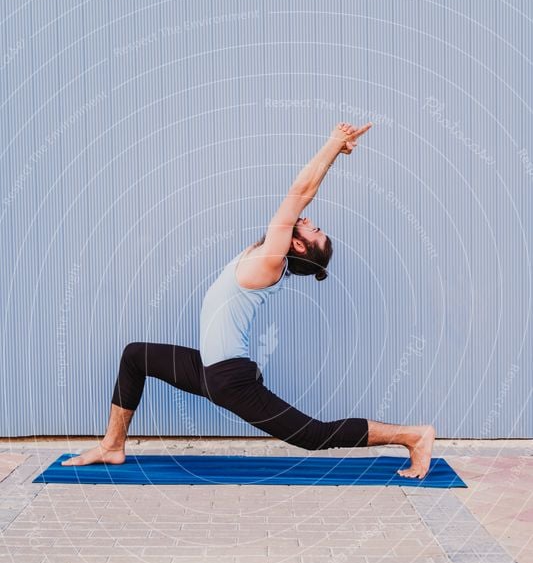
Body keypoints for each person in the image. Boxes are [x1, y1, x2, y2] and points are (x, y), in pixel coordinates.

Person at [62, 122, 435, 477]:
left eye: (314, 230)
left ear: (298, 245)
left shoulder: (271, 260)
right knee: (135, 355)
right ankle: (112, 445)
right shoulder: (264, 252)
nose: (309, 222)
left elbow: (300, 192)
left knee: (313, 436)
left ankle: (413, 435)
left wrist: (334, 144)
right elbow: (300, 199)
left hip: (228, 379)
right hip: (208, 369)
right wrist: (333, 153)